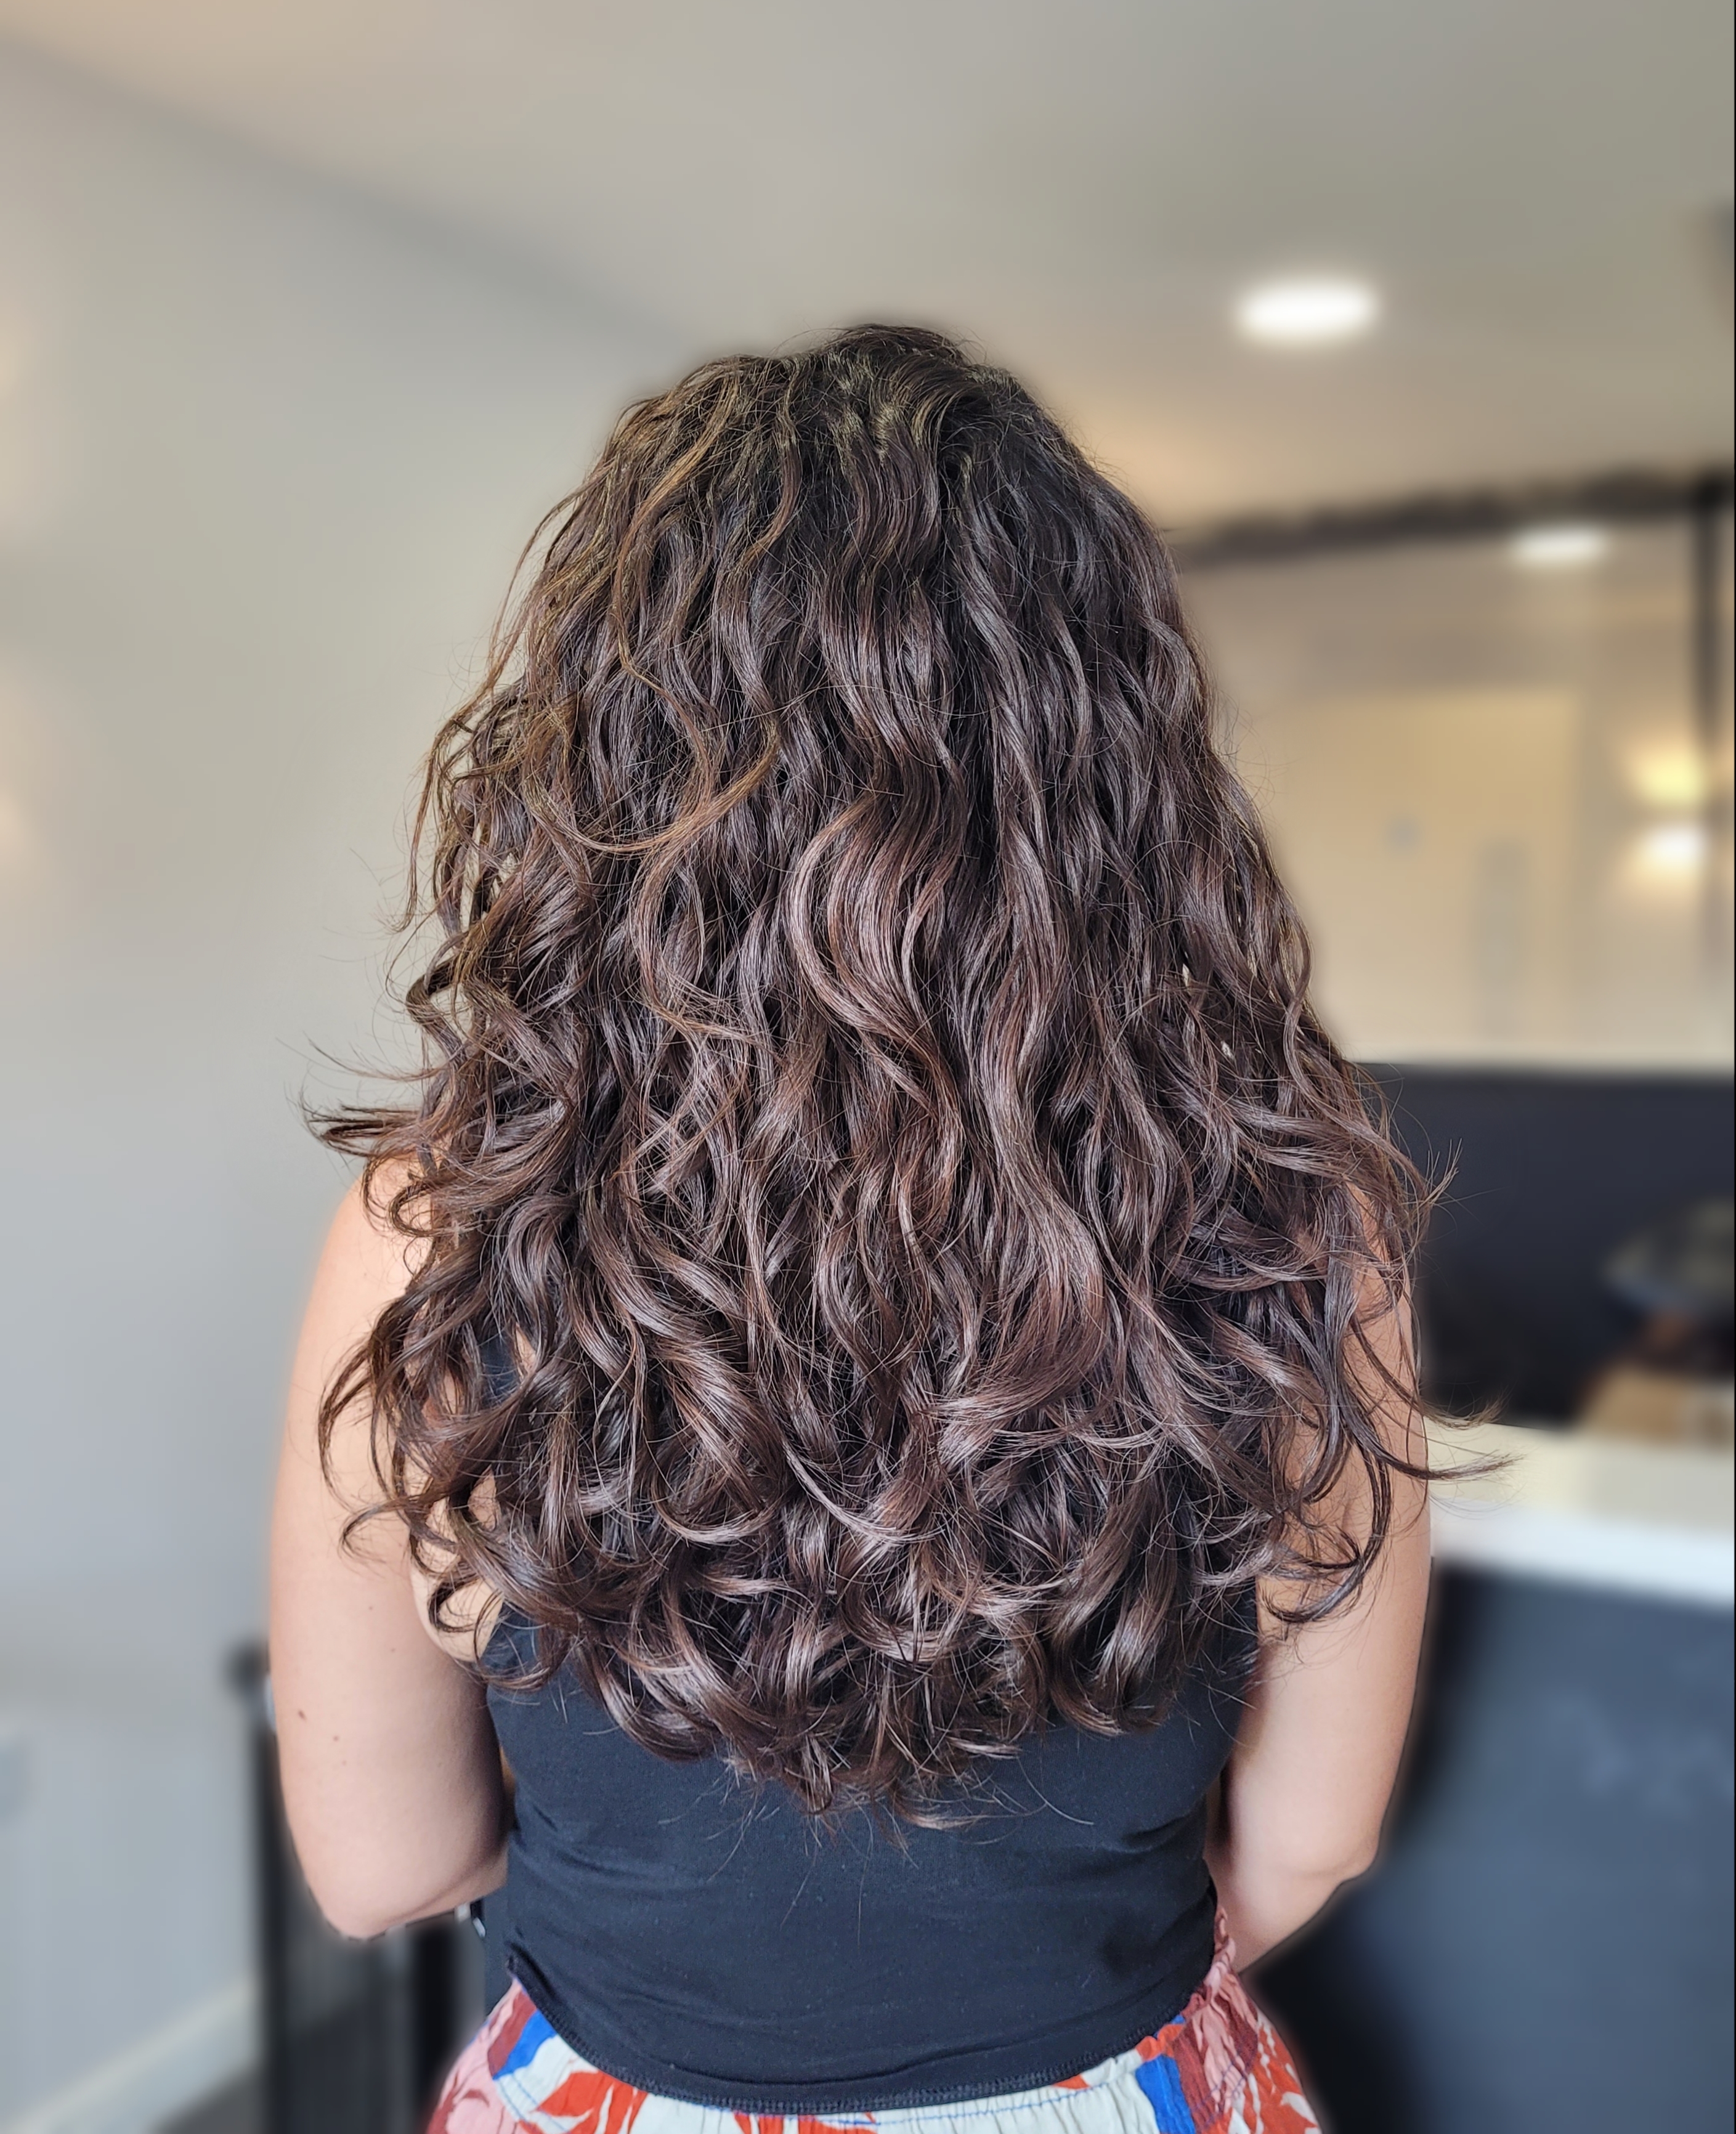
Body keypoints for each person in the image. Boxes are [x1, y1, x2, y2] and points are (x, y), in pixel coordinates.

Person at [269, 325, 1431, 2134]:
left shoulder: (435, 1233)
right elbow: (1311, 1837)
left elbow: (382, 1865)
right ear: (1111, 774)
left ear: (614, 765)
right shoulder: (1296, 1218)